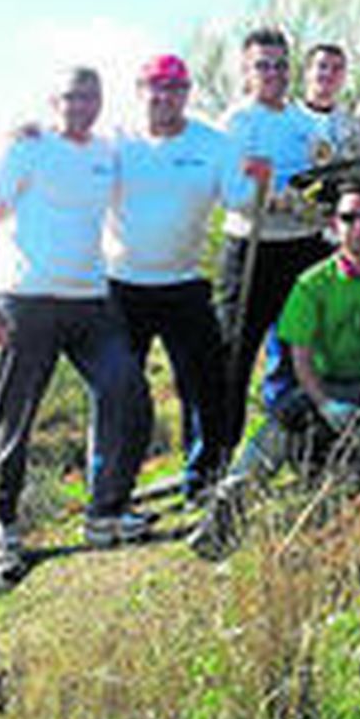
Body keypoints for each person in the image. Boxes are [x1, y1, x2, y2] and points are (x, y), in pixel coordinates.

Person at [190, 182, 360, 556]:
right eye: (349, 218)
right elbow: (300, 357)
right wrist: (325, 403)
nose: (359, 227)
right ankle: (228, 507)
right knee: (281, 419)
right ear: (335, 224)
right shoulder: (312, 284)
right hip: (333, 387)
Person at [0, 66, 152, 583]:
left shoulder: (106, 152)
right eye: (72, 97)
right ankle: (5, 532)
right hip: (28, 302)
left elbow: (147, 151)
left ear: (100, 102)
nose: (81, 106)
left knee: (128, 391)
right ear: (54, 101)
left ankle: (106, 512)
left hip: (91, 301)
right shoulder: (27, 149)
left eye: (90, 97)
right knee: (15, 419)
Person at [105, 53, 243, 505]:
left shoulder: (214, 143)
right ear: (139, 91)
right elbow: (71, 162)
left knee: (206, 386)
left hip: (184, 282)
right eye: (155, 87)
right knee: (120, 393)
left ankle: (202, 482)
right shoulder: (115, 141)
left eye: (174, 88)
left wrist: (259, 183)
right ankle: (109, 497)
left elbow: (240, 200)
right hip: (122, 285)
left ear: (187, 93)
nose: (163, 96)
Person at [217, 30, 357, 448]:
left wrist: (319, 201)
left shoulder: (303, 122)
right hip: (251, 250)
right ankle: (211, 467)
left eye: (280, 65)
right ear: (246, 71)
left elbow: (323, 180)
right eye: (263, 65)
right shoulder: (236, 122)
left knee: (305, 357)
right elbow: (229, 191)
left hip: (303, 249)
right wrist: (275, 200)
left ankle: (298, 453)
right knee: (233, 360)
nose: (273, 73)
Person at [253, 41, 360, 416]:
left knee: (330, 332)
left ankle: (328, 410)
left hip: (340, 244)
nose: (328, 75)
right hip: (293, 239)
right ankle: (281, 413)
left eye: (336, 68)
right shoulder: (288, 119)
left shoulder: (351, 125)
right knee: (287, 331)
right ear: (306, 72)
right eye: (321, 67)